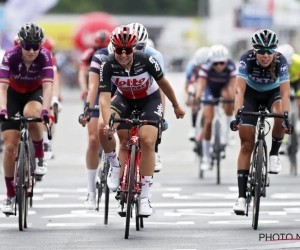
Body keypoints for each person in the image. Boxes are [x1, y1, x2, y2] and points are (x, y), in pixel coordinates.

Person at [98, 26, 185, 216]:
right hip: (124, 100)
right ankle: (114, 165)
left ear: (134, 48)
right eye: (119, 50)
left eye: (127, 50)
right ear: (113, 47)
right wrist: (108, 123)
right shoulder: (108, 64)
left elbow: (164, 84)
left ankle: (145, 197)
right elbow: (104, 98)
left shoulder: (146, 60)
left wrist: (176, 105)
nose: (123, 55)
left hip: (149, 100)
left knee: (147, 141)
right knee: (101, 128)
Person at [231, 29, 290, 215]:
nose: (265, 55)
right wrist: (237, 115)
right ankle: (241, 198)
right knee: (246, 144)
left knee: (280, 114)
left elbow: (286, 92)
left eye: (269, 51)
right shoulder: (246, 58)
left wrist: (287, 117)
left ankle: (273, 154)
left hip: (273, 94)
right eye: (261, 51)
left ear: (275, 51)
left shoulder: (281, 60)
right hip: (251, 95)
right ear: (254, 50)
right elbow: (239, 90)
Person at [0, 23, 53, 214]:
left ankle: (39, 156)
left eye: (35, 46)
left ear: (41, 45)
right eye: (27, 46)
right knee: (10, 147)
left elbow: (48, 87)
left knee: (32, 114)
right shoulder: (10, 55)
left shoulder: (46, 56)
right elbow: (2, 88)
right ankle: (9, 194)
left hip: (34, 92)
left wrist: (45, 110)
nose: (31, 51)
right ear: (20, 44)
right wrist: (3, 109)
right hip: (13, 94)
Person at [116, 22, 166, 172]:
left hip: (148, 93)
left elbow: (161, 87)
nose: (135, 51)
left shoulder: (155, 56)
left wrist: (161, 117)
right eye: (133, 46)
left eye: (140, 47)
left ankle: (154, 150)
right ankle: (112, 162)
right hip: (122, 90)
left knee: (150, 129)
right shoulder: (119, 54)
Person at [78, 42, 113, 210]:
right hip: (102, 94)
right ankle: (91, 191)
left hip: (120, 94)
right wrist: (87, 110)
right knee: (93, 140)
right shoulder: (99, 56)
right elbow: (93, 87)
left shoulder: (133, 57)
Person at [196, 44, 236, 171]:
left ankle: (229, 134)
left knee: (230, 96)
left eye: (221, 63)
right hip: (210, 90)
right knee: (208, 121)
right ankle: (206, 158)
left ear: (226, 61)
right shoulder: (206, 66)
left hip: (223, 89)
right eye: (215, 63)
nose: (219, 66)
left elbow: (235, 86)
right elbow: (201, 85)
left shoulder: (231, 65)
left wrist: (236, 99)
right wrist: (198, 98)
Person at [41, 37, 62, 160]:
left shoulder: (50, 57)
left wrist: (56, 98)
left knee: (49, 113)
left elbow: (56, 78)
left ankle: (48, 144)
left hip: (50, 86)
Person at [185, 46, 210, 140]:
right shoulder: (191, 66)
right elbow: (187, 86)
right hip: (198, 83)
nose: (201, 69)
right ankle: (193, 127)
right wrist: (188, 98)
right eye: (199, 67)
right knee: (194, 91)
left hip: (211, 84)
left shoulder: (214, 66)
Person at [78, 30, 111, 101]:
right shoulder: (89, 53)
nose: (102, 52)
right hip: (94, 83)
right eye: (99, 48)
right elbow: (82, 72)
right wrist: (84, 89)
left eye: (105, 48)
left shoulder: (114, 53)